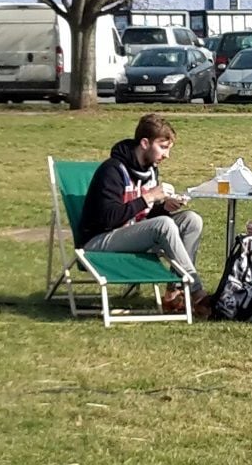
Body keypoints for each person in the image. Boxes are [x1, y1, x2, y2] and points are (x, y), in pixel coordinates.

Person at [79, 113, 209, 316]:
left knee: (192, 220)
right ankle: (196, 292)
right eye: (163, 147)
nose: (167, 155)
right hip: (99, 240)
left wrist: (164, 206)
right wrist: (148, 197)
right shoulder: (112, 170)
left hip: (131, 234)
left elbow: (144, 216)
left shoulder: (150, 171)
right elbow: (107, 218)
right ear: (145, 143)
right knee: (164, 225)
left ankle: (174, 294)